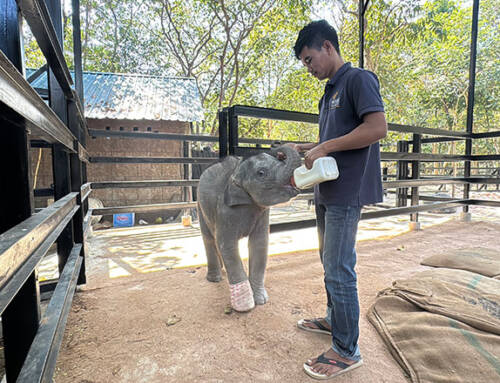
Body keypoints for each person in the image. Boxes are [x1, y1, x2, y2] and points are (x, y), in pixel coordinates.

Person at [291, 20, 387, 379]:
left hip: (347, 192)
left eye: (309, 58)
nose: (309, 66)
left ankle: (347, 349)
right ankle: (335, 319)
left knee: (339, 268)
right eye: (304, 62)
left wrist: (326, 146)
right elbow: (332, 139)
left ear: (328, 47)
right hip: (326, 188)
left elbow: (377, 128)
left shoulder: (358, 79)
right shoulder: (329, 91)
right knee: (327, 260)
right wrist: (307, 147)